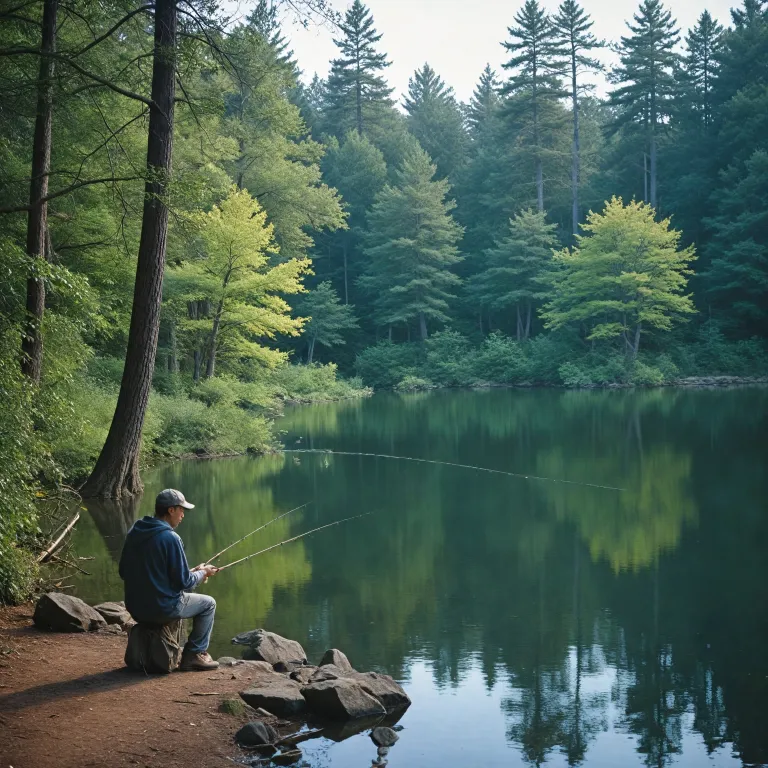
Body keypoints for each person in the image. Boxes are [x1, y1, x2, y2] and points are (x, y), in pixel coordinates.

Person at [119, 488, 220, 671]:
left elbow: (123, 571)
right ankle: (194, 655)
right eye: (181, 510)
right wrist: (203, 573)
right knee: (209, 604)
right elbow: (184, 582)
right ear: (171, 510)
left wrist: (193, 571)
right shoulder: (170, 538)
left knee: (187, 588)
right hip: (161, 607)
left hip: (135, 607)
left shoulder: (136, 531)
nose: (183, 515)